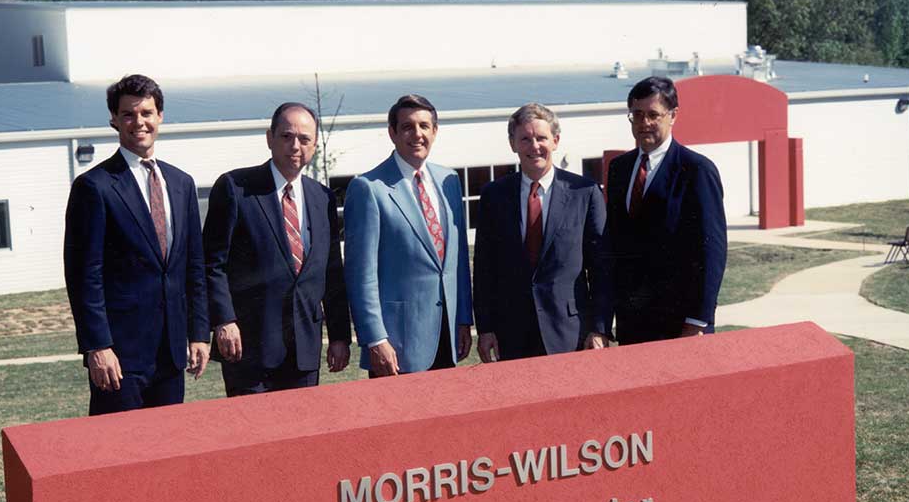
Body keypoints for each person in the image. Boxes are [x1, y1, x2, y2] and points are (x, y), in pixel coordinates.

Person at [64, 74, 210, 415]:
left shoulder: (181, 183)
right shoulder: (95, 187)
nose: (138, 122)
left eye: (146, 112)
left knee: (166, 452)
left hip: (172, 353)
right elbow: (85, 276)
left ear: (160, 116)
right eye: (128, 114)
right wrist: (98, 347)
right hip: (120, 357)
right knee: (116, 456)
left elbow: (193, 266)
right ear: (114, 120)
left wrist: (199, 333)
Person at [202, 103, 351, 394]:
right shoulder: (236, 188)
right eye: (286, 136)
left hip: (304, 352)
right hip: (248, 347)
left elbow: (332, 272)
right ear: (270, 138)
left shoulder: (322, 198)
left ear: (315, 145)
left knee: (303, 436)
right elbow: (212, 264)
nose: (295, 146)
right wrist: (223, 320)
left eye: (305, 139)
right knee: (252, 436)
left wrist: (339, 335)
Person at [344, 94, 472, 376]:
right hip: (397, 345)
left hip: (447, 337)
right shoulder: (368, 188)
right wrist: (375, 339)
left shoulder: (448, 181)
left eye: (425, 126)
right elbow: (360, 275)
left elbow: (458, 259)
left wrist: (463, 319)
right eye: (407, 127)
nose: (417, 134)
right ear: (392, 133)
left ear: (435, 132)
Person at [474, 103, 612, 362]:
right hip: (511, 335)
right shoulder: (494, 196)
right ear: (512, 144)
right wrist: (485, 328)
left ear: (555, 141)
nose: (534, 146)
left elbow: (602, 269)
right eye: (525, 139)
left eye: (541, 138)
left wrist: (599, 328)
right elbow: (484, 270)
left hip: (571, 334)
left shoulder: (584, 192)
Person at [604, 76, 727, 345]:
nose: (644, 123)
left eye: (653, 115)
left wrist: (697, 321)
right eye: (636, 115)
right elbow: (613, 246)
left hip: (681, 324)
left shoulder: (696, 170)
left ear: (673, 116)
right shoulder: (619, 169)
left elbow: (711, 251)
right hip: (632, 323)